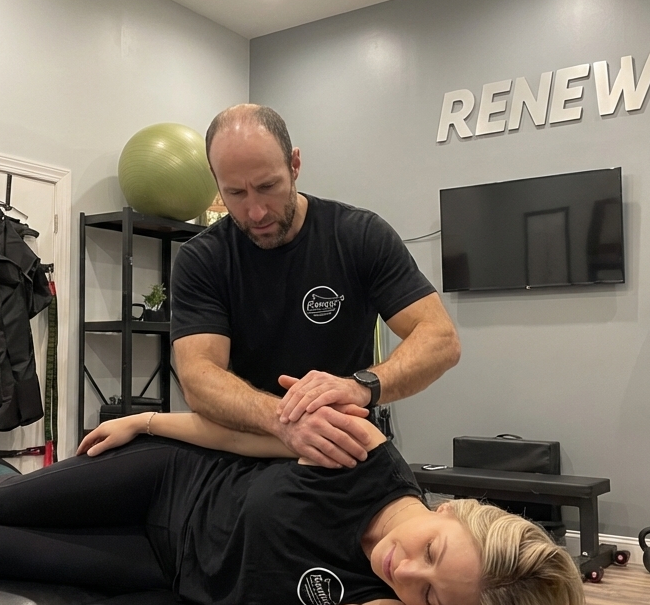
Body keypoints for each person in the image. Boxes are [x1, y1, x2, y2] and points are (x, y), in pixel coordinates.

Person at [0, 409, 608, 605]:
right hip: (170, 477)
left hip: (163, 565)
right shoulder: (364, 454)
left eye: (429, 593)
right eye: (431, 549)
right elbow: (244, 435)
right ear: (452, 511)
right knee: (10, 504)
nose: (405, 569)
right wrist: (146, 421)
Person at [171, 104, 461, 469]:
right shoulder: (203, 258)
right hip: (247, 450)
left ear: (294, 165)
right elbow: (198, 377)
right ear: (216, 181)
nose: (256, 212)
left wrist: (360, 386)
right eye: (236, 194)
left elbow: (440, 339)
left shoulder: (358, 235)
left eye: (267, 186)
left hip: (343, 446)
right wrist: (285, 420)